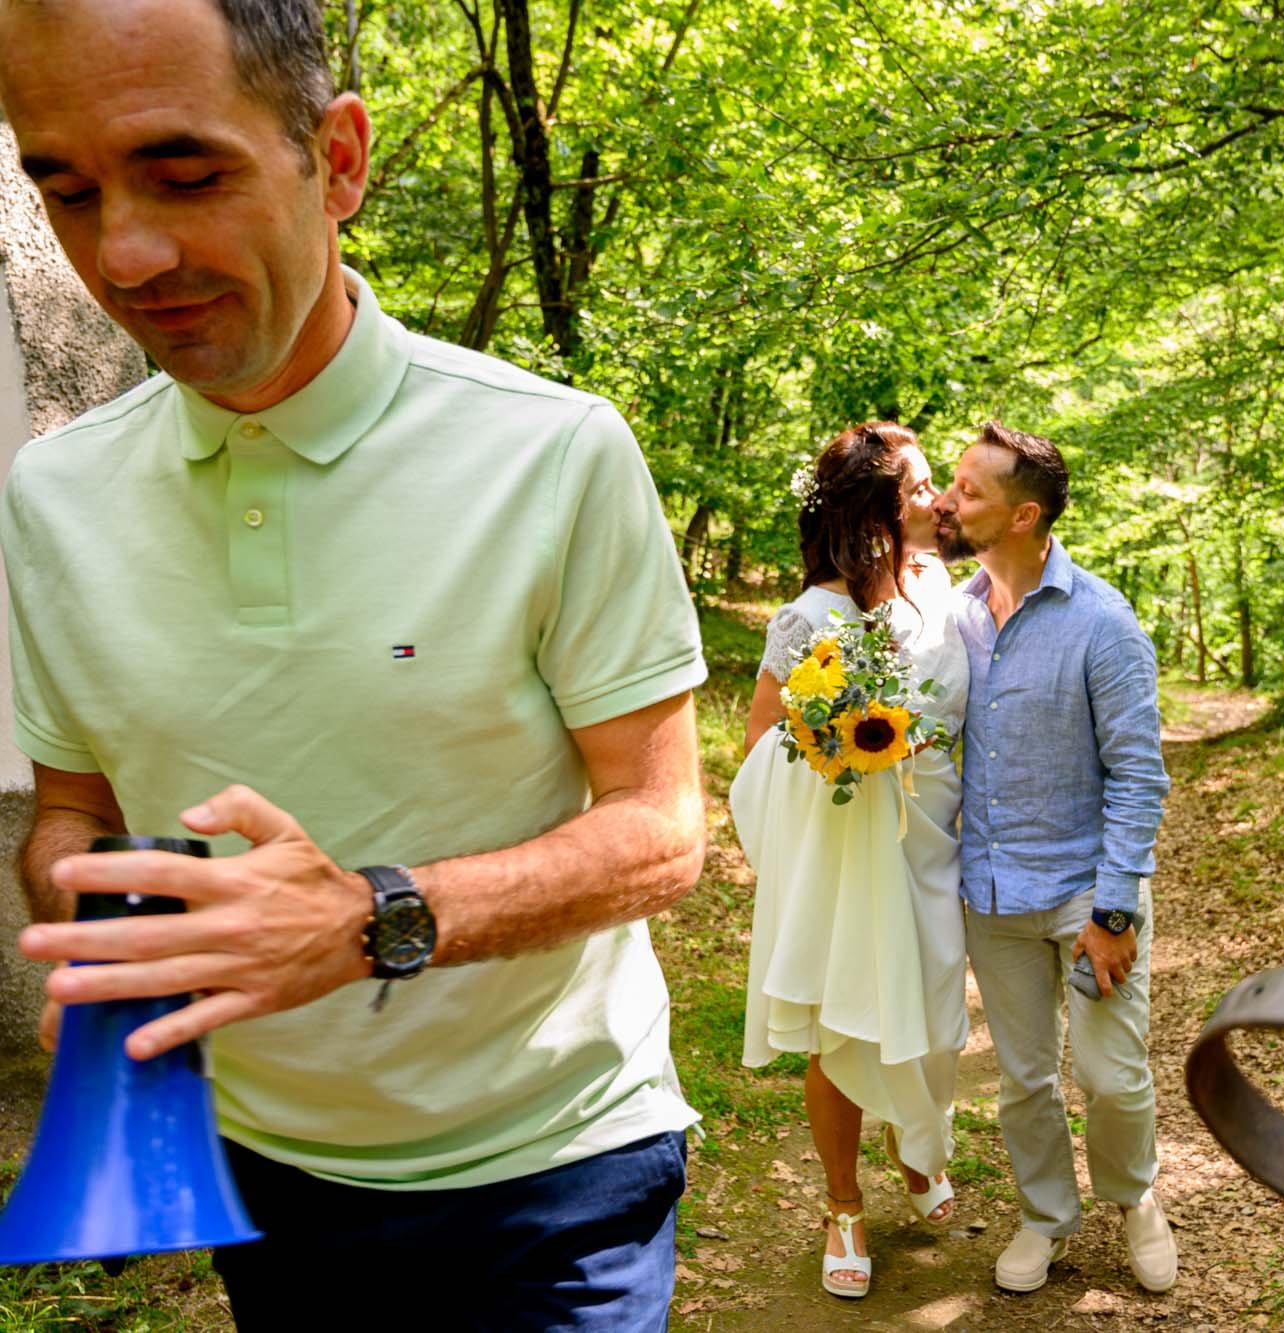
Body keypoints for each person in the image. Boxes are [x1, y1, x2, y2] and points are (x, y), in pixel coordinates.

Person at [0, 1, 707, 1326]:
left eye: (185, 173)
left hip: (560, 1168)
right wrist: (106, 920)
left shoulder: (552, 454)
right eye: (68, 191)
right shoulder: (51, 496)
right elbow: (77, 810)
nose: (128, 254)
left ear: (336, 161)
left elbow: (665, 834)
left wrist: (368, 918)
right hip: (265, 1173)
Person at [931, 422, 1178, 1296]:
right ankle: (1045, 1215)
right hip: (991, 896)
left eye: (968, 490)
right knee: (1024, 1080)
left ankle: (1135, 1194)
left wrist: (1115, 912)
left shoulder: (1103, 623)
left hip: (1086, 894)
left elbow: (1140, 777)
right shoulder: (953, 615)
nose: (947, 501)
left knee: (1111, 1077)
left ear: (1024, 513)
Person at [732, 422, 968, 1300]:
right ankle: (843, 1202)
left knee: (938, 1014)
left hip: (936, 839)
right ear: (876, 506)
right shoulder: (810, 617)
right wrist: (834, 756)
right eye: (918, 486)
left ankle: (916, 1146)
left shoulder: (942, 587)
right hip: (847, 851)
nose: (935, 498)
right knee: (841, 1027)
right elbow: (762, 744)